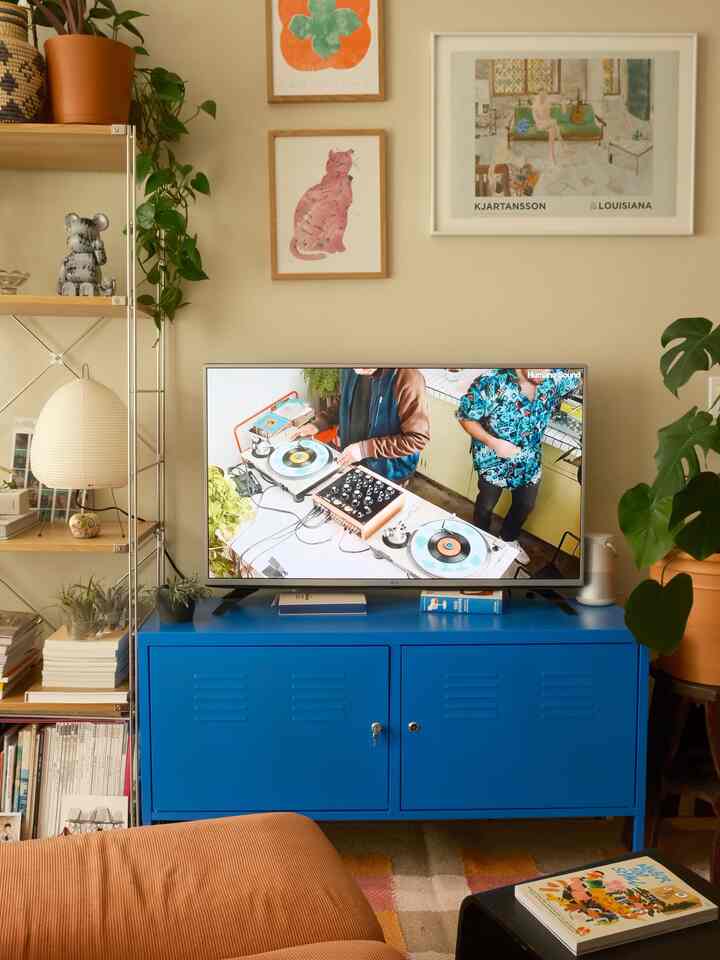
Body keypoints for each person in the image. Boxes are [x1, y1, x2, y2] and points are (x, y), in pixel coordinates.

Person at [457, 368, 582, 564]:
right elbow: (465, 417)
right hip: (492, 461)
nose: (544, 372)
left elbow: (584, 376)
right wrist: (493, 442)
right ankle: (481, 539)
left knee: (525, 505)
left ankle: (508, 538)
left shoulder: (555, 378)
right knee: (486, 505)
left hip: (529, 461)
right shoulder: (491, 382)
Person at [291, 368, 430, 484]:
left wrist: (364, 449)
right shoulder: (352, 367)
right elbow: (344, 401)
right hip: (352, 461)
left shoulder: (409, 379)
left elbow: (417, 439)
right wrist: (319, 424)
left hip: (389, 474)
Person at [532, 91, 562, 164]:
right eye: (540, 96)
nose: (542, 98)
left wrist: (561, 100)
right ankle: (562, 143)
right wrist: (547, 122)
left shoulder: (547, 104)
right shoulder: (534, 107)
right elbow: (537, 121)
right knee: (554, 122)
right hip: (540, 125)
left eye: (543, 97)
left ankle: (552, 154)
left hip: (549, 124)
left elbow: (558, 100)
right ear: (537, 97)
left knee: (552, 129)